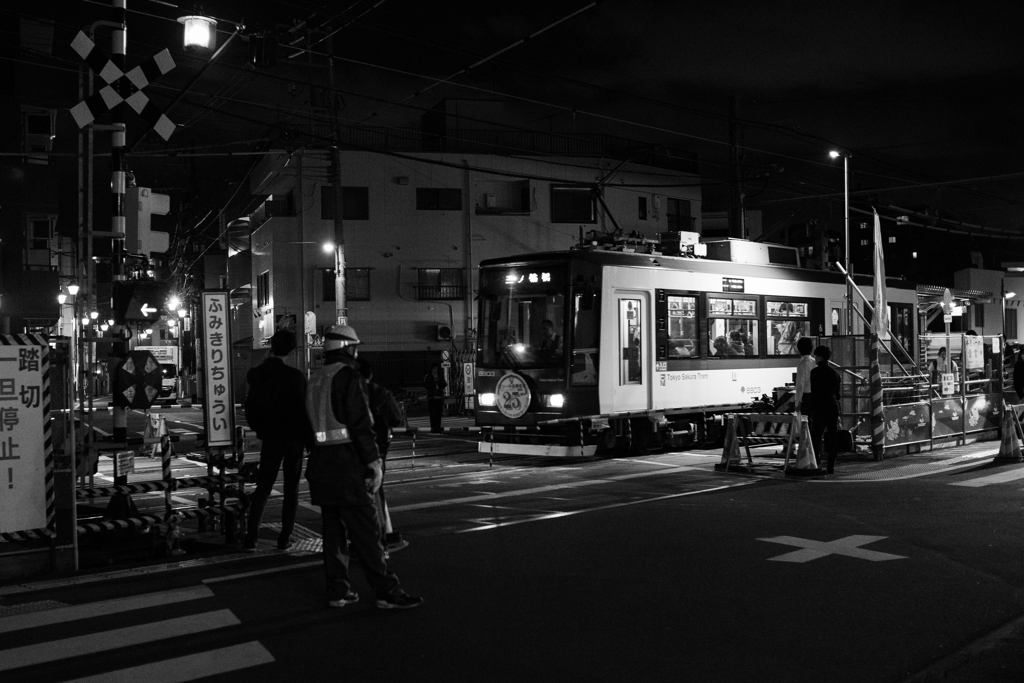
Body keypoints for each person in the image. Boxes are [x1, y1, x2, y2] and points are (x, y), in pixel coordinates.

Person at [304, 324, 423, 610]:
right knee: (368, 534)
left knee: (333, 536)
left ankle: (338, 591)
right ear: (349, 348)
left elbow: (308, 428)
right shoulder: (349, 377)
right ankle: (387, 592)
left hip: (321, 467)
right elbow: (361, 425)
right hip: (348, 468)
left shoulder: (315, 379)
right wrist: (373, 462)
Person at [241, 330, 312, 552]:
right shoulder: (295, 376)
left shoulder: (259, 373)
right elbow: (304, 411)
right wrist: (310, 442)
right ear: (292, 350)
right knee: (291, 491)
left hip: (270, 437)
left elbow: (251, 394)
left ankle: (251, 538)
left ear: (272, 346)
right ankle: (284, 539)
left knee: (263, 488)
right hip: (294, 439)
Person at [358, 356, 408, 551]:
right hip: (377, 450)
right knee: (376, 492)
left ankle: (363, 537)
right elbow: (397, 418)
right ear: (370, 375)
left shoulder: (344, 393)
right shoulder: (380, 393)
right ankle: (381, 539)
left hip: (349, 451)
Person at [809, 345, 842, 474]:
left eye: (816, 356)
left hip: (820, 407)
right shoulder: (835, 373)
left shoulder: (815, 372)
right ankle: (831, 467)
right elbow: (837, 394)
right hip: (833, 407)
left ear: (820, 357)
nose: (814, 358)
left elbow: (814, 392)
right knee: (832, 437)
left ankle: (816, 463)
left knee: (816, 436)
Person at [793, 337, 815, 414]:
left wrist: (797, 403)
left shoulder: (801, 365)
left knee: (805, 422)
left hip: (806, 398)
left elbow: (800, 386)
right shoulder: (815, 362)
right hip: (816, 396)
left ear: (799, 349)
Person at [424, 362, 447, 433]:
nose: (435, 370)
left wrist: (439, 382)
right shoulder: (428, 377)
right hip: (432, 397)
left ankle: (438, 427)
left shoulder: (439, 376)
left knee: (439, 413)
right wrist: (434, 382)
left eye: (436, 369)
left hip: (439, 396)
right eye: (434, 369)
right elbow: (427, 385)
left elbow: (444, 384)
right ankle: (433, 427)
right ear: (432, 369)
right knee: (433, 413)